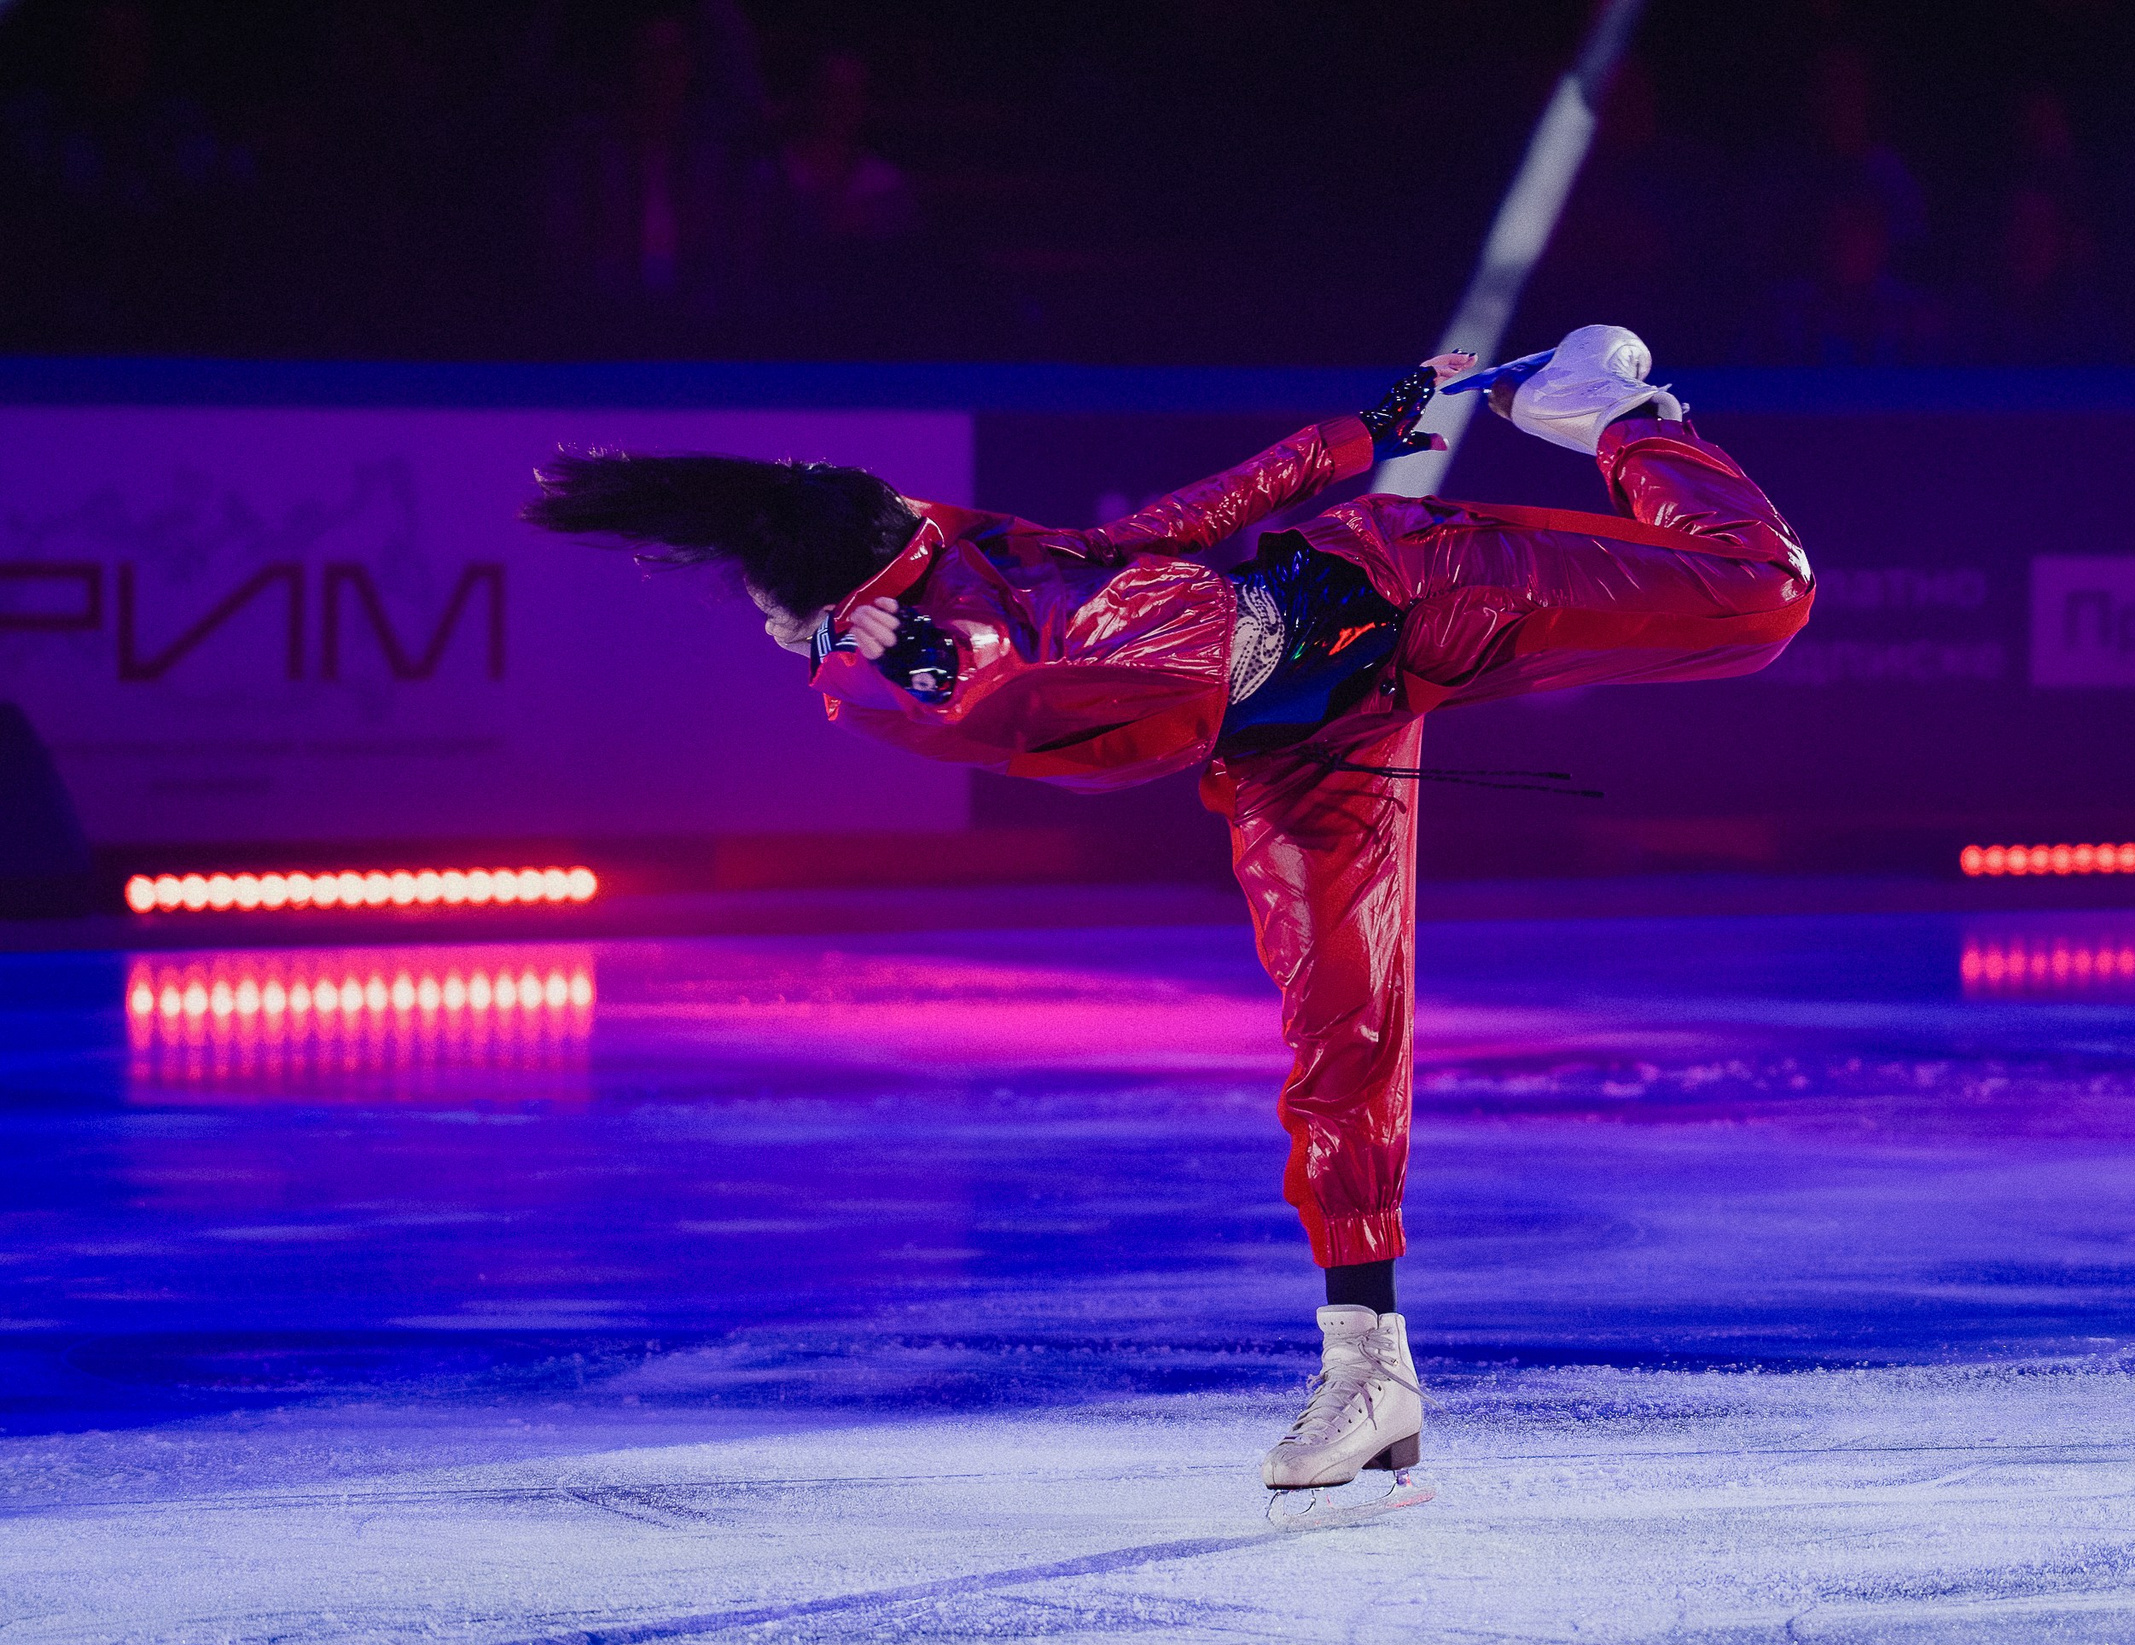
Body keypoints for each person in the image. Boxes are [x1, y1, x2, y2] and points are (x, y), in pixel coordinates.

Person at [524, 326, 1814, 1499]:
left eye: (774, 604)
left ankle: (1621, 414)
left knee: (1762, 592)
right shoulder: (908, 640)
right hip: (1299, 753)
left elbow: (1131, 570)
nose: (760, 621)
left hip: (1417, 593)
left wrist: (1349, 447)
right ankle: (1370, 1370)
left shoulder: (937, 614)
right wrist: (1340, 441)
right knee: (1344, 1041)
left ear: (848, 596)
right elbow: (1112, 593)